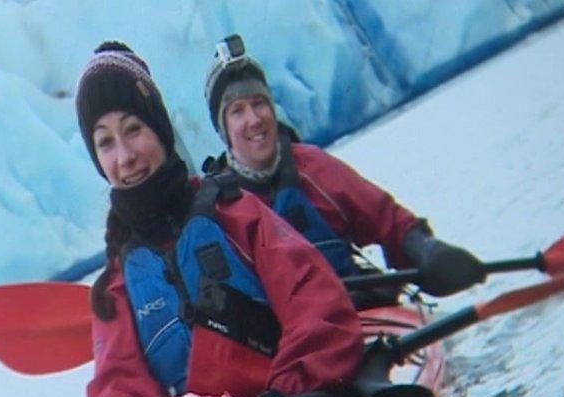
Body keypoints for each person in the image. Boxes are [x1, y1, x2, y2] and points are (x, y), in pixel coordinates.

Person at [75, 41, 365, 397]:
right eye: (105, 143)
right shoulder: (114, 288)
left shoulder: (236, 213)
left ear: (159, 129)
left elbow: (321, 311)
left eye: (133, 129)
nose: (125, 156)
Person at [203, 35, 486, 304]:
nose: (254, 119)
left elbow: (388, 219)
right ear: (223, 129)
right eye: (237, 111)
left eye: (259, 103)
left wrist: (427, 250)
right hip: (298, 341)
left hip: (363, 313)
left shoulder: (311, 167)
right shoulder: (220, 207)